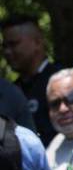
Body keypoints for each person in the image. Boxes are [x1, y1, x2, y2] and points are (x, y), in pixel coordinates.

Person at [2, 15, 61, 145]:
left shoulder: (60, 83)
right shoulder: (10, 92)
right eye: (4, 46)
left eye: (13, 44)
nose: (7, 52)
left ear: (37, 43)